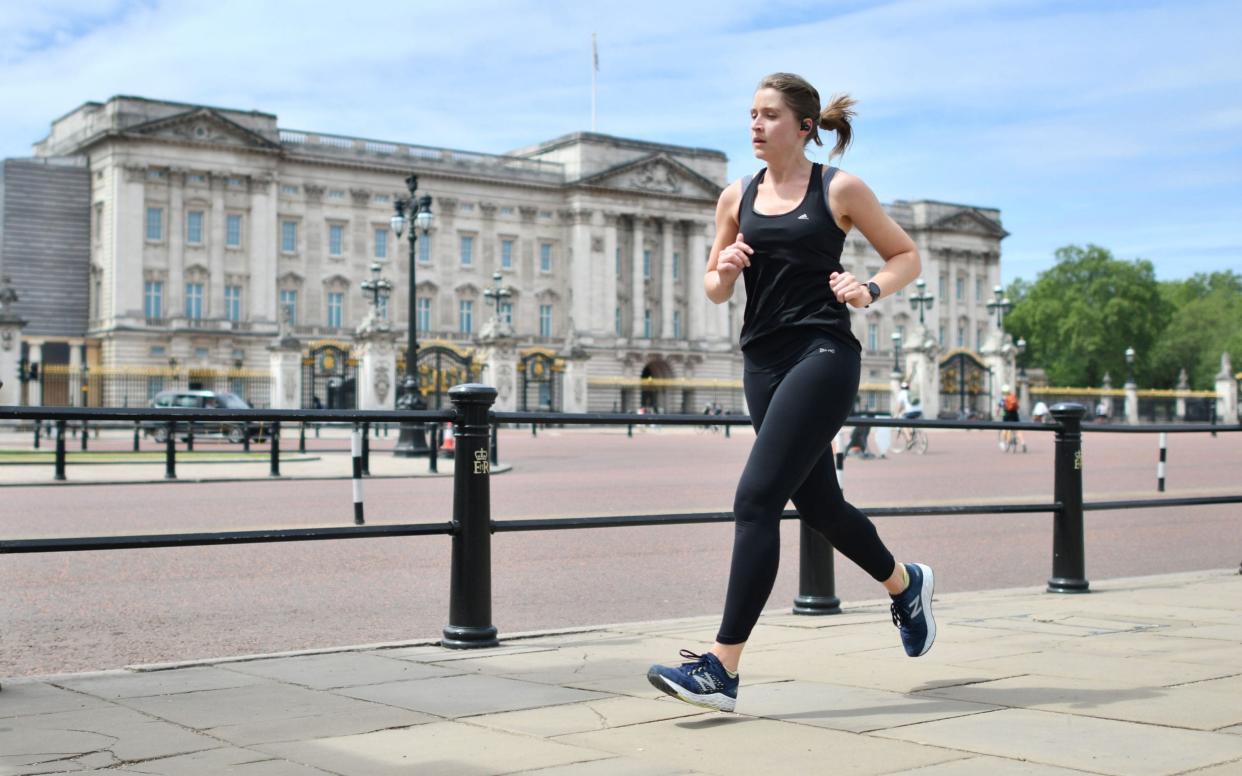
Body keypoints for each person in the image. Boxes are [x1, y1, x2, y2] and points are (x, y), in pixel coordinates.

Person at [646, 73, 936, 713]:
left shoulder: (839, 188)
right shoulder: (734, 196)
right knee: (821, 504)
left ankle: (722, 668)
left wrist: (869, 290)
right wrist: (721, 273)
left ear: (805, 127)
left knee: (755, 499)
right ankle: (904, 584)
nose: (755, 125)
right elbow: (715, 289)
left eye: (769, 115)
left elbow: (905, 255)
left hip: (824, 353)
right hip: (762, 361)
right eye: (751, 114)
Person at [998, 384, 1026, 452]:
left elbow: (1000, 410)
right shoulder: (1012, 397)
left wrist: (1000, 414)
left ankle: (1005, 443)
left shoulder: (1003, 399)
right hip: (1015, 414)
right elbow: (1017, 406)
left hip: (1007, 415)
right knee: (1018, 429)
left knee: (1005, 428)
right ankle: (1023, 443)